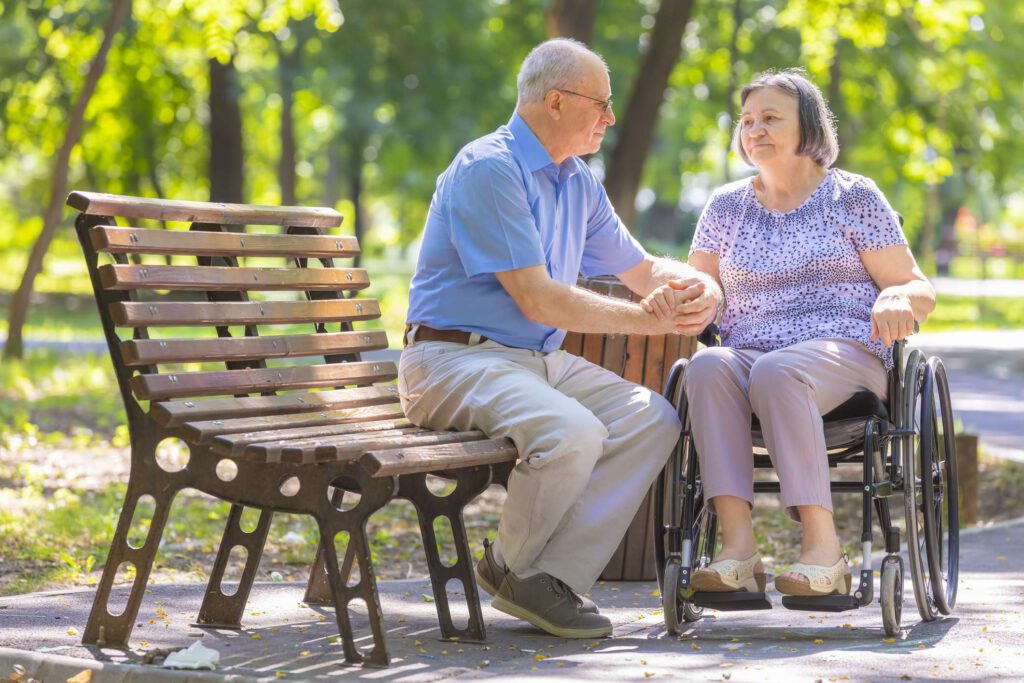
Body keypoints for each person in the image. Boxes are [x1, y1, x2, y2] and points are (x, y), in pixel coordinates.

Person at [398, 38, 721, 638]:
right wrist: (647, 320)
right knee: (571, 431)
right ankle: (518, 571)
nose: (610, 117)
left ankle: (540, 576)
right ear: (555, 102)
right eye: (601, 104)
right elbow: (538, 297)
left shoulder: (577, 181)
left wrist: (702, 287)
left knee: (651, 417)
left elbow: (644, 270)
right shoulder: (490, 169)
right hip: (450, 359)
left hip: (533, 361)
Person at [673, 69, 935, 596]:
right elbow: (700, 282)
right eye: (747, 120)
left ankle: (824, 551)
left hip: (847, 356)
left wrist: (898, 296)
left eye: (771, 118)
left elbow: (915, 285)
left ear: (809, 127)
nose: (755, 129)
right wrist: (695, 296)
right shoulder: (726, 206)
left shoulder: (853, 196)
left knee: (778, 369)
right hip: (750, 353)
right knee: (706, 365)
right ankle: (738, 552)